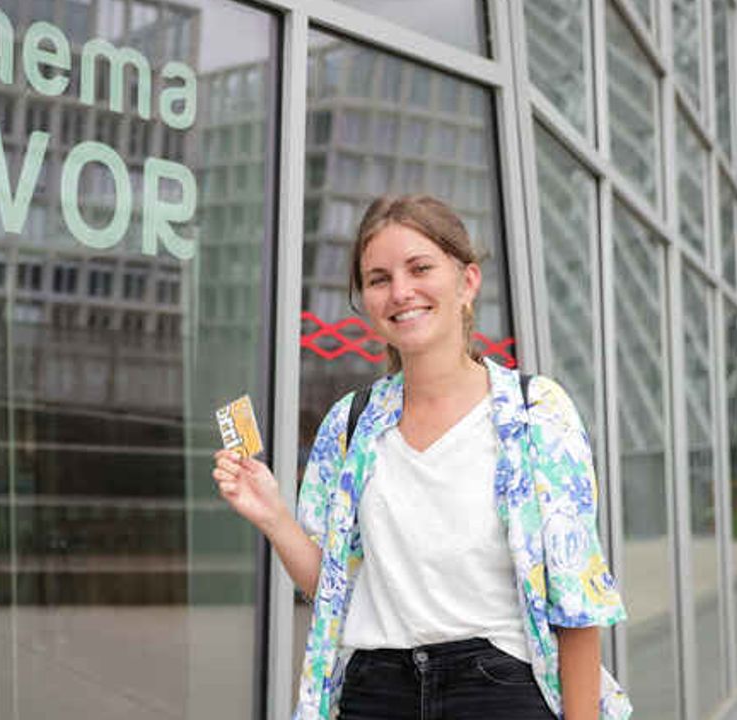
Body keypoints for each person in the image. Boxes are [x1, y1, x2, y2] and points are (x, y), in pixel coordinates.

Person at [213, 195, 631, 720]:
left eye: (420, 268)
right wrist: (272, 515)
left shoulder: (536, 413)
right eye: (378, 278)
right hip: (375, 692)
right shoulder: (350, 424)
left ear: (468, 281)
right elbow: (334, 588)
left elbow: (576, 599)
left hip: (499, 688)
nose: (400, 292)